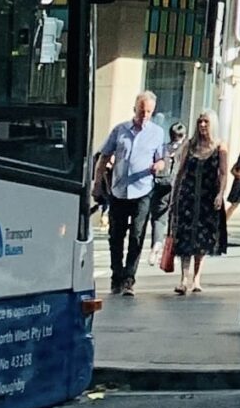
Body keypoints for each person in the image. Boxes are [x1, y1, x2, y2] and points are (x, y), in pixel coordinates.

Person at [91, 91, 169, 296]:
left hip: (142, 190)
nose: (145, 115)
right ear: (135, 109)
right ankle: (116, 277)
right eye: (142, 111)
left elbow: (162, 159)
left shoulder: (157, 133)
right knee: (116, 236)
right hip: (119, 190)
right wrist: (98, 183)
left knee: (136, 235)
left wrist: (157, 166)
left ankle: (129, 279)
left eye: (149, 112)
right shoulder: (120, 130)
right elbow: (104, 156)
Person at [167, 113, 226, 297]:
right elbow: (180, 172)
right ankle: (183, 279)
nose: (202, 125)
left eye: (206, 122)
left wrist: (220, 194)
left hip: (208, 197)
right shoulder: (189, 145)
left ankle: (197, 278)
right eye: (199, 121)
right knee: (185, 237)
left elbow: (223, 173)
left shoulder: (219, 146)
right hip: (188, 195)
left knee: (202, 238)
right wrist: (174, 197)